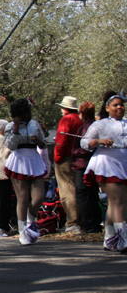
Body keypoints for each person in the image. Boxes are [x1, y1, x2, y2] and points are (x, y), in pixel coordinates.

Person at [81, 91, 127, 252]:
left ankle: (109, 239)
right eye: (116, 105)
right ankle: (123, 239)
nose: (120, 107)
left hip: (123, 164)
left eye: (121, 105)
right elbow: (84, 143)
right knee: (119, 200)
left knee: (116, 202)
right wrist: (100, 141)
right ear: (107, 108)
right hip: (106, 163)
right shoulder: (100, 124)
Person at [4, 98, 46, 246]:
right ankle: (23, 231)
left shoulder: (34, 124)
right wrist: (15, 128)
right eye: (25, 112)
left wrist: (39, 142)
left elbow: (44, 142)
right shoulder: (10, 126)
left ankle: (30, 218)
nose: (28, 114)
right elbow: (11, 145)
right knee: (23, 197)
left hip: (34, 159)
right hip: (18, 160)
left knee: (39, 197)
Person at [54, 96, 83, 233]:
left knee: (67, 191)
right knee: (77, 189)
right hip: (78, 158)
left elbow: (61, 140)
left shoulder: (66, 119)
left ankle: (72, 221)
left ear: (65, 109)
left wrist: (57, 158)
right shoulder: (80, 120)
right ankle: (80, 220)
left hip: (65, 158)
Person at [72, 102, 101, 234]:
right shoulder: (96, 126)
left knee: (83, 194)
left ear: (82, 113)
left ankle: (90, 225)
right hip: (94, 163)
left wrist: (75, 152)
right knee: (93, 194)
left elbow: (85, 148)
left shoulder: (86, 128)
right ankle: (95, 224)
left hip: (84, 164)